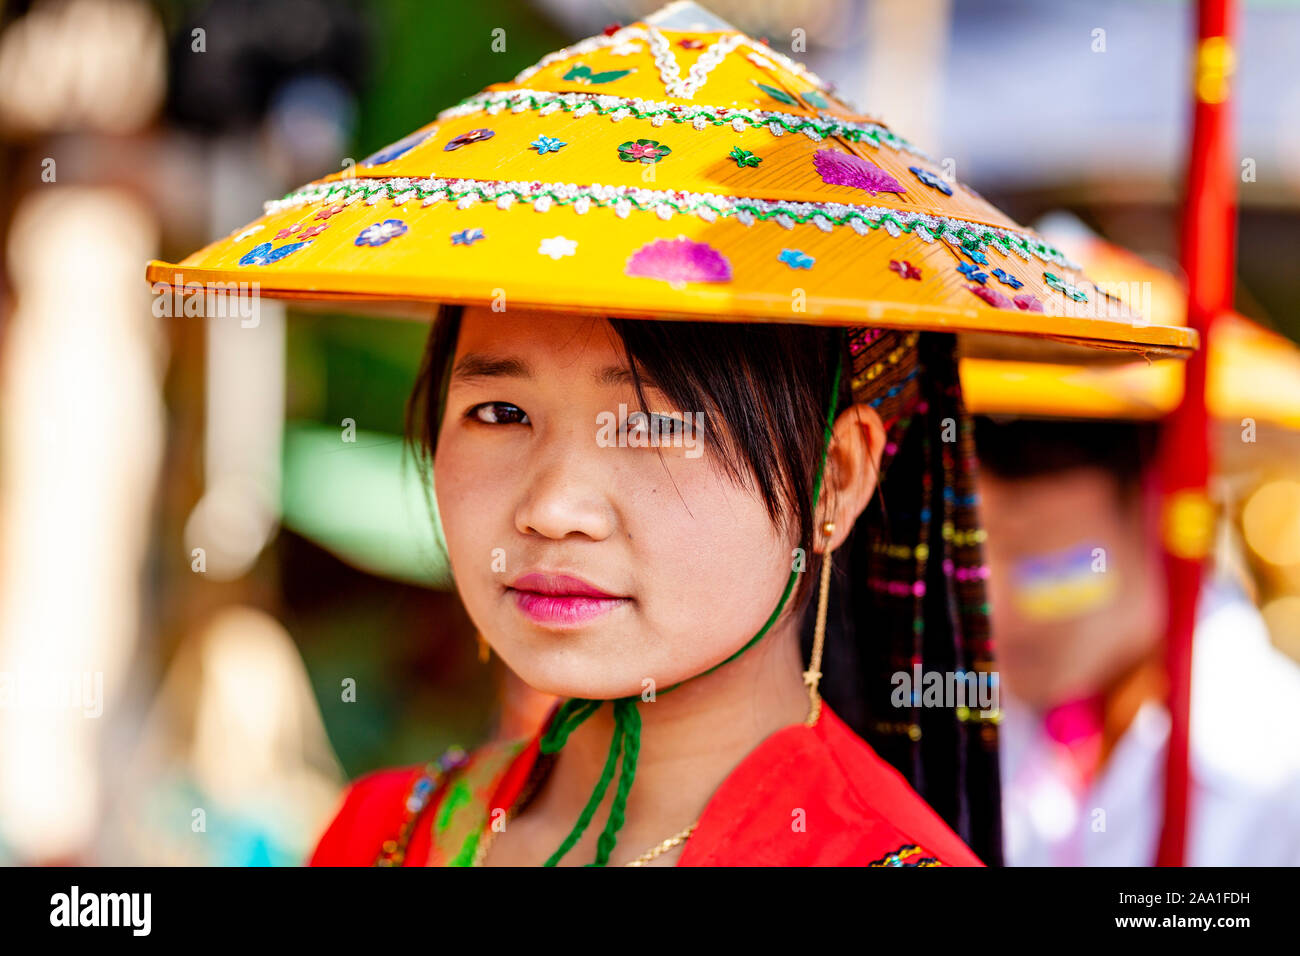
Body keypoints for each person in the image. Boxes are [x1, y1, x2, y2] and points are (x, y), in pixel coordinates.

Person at [147, 2, 1195, 866]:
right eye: (499, 412)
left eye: (653, 425)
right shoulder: (385, 832)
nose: (551, 504)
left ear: (834, 479)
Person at [976, 415, 1300, 867]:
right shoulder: (972, 720)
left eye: (1030, 557)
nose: (993, 607)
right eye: (975, 556)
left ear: (1163, 516)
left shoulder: (1281, 765)